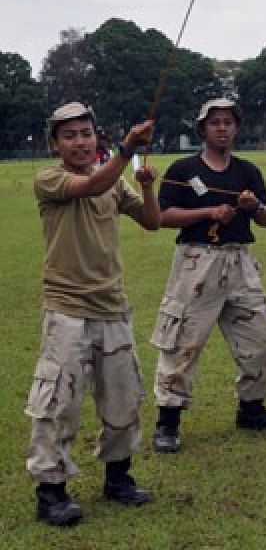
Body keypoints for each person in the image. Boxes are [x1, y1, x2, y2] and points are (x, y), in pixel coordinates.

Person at [28, 103, 159, 526]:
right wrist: (125, 150)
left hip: (113, 308)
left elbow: (152, 222)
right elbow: (89, 187)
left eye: (86, 133)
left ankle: (118, 479)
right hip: (67, 309)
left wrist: (148, 186)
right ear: (55, 144)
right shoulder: (50, 179)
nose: (80, 142)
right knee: (57, 402)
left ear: (95, 136)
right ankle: (51, 492)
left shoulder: (115, 181)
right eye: (69, 135)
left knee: (123, 398)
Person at [150, 98, 266, 454]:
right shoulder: (182, 169)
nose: (222, 128)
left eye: (228, 122)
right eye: (215, 123)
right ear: (202, 129)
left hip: (240, 261)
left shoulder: (247, 172)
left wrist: (252, 206)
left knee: (261, 340)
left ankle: (252, 409)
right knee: (182, 342)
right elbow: (162, 216)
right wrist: (210, 211)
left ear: (236, 128)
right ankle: (168, 422)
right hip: (197, 261)